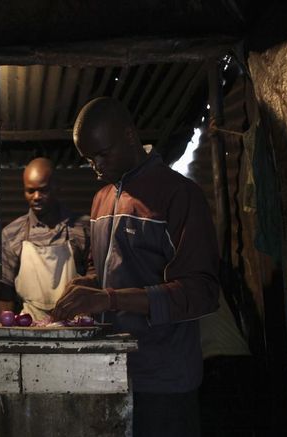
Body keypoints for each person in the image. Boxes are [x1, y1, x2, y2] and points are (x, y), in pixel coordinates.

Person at [53, 97, 220, 437]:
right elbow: (100, 270)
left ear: (130, 135)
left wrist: (110, 299)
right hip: (110, 372)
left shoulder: (179, 195)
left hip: (164, 378)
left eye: (103, 154)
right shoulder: (101, 198)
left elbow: (200, 292)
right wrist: (86, 285)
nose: (96, 166)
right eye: (88, 159)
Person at [0, 157, 90, 320]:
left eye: (44, 190)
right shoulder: (12, 234)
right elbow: (5, 295)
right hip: (29, 328)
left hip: (75, 327)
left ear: (57, 188)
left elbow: (94, 282)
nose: (37, 196)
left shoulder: (83, 228)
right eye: (30, 191)